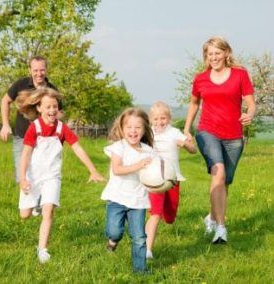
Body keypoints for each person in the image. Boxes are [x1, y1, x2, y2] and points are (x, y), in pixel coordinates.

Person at [16, 87, 104, 264]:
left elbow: (78, 148)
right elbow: (25, 154)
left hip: (52, 177)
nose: (52, 110)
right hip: (33, 176)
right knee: (24, 215)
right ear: (39, 108)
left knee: (49, 211)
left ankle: (42, 249)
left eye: (54, 106)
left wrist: (93, 170)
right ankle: (36, 206)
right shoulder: (35, 128)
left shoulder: (62, 128)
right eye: (48, 107)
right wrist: (23, 178)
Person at [183, 36, 256, 244]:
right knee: (219, 172)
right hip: (207, 132)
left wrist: (250, 114)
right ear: (206, 56)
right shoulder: (200, 79)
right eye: (209, 54)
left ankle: (212, 216)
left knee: (225, 182)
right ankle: (221, 229)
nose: (213, 57)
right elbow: (194, 104)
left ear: (226, 53)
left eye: (217, 53)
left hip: (233, 135)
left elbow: (250, 102)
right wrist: (187, 129)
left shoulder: (240, 75)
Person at [101, 107, 154, 273]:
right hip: (117, 198)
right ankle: (113, 241)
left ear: (144, 129)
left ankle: (140, 271)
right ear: (122, 129)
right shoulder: (119, 147)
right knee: (114, 231)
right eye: (129, 127)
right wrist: (138, 165)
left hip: (138, 201)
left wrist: (167, 181)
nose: (133, 131)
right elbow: (117, 169)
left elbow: (156, 173)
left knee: (139, 237)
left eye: (137, 127)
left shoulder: (148, 151)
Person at [145, 101, 197, 259]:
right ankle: (146, 250)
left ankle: (167, 216)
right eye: (155, 119)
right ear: (150, 120)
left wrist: (185, 144)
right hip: (153, 180)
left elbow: (193, 150)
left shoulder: (174, 132)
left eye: (163, 118)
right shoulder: (147, 134)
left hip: (173, 180)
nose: (159, 122)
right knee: (155, 213)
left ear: (169, 118)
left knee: (170, 217)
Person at [0, 56, 61, 183]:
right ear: (30, 70)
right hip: (22, 138)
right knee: (22, 177)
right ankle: (29, 203)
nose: (39, 73)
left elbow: (58, 113)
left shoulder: (52, 90)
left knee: (42, 177)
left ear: (46, 70)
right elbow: (5, 101)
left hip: (43, 141)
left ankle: (41, 202)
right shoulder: (21, 84)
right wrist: (5, 125)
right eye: (36, 70)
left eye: (42, 70)